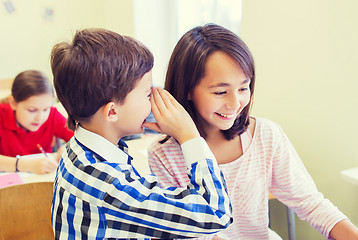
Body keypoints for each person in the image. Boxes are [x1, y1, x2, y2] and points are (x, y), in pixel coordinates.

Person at [148, 23, 358, 240]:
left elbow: (310, 203)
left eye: (243, 88)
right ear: (187, 90)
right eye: (220, 92)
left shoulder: (266, 135)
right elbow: (187, 234)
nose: (235, 103)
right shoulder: (163, 155)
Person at [50, 28, 232, 239]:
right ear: (112, 112)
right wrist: (189, 134)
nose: (155, 100)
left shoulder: (79, 148)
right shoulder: (109, 186)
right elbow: (216, 214)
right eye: (148, 94)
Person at [0, 70, 74, 174]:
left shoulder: (52, 115)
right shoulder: (2, 114)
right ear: (13, 103)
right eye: (32, 110)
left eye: (45, 109)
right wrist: (26, 165)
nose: (40, 118)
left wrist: (68, 148)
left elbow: (80, 137)